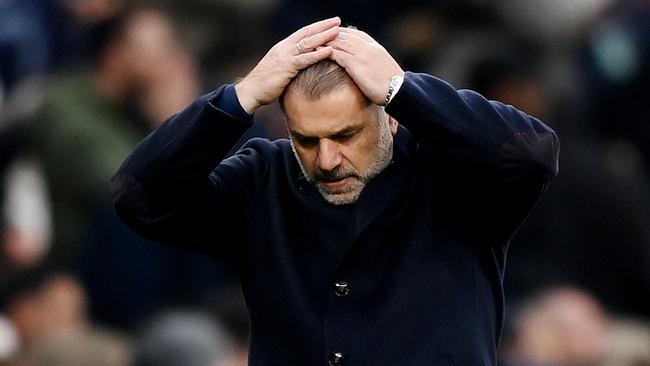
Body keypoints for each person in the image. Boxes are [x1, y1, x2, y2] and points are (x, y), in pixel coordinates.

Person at [111, 17, 559, 365]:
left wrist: (406, 89)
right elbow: (139, 196)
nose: (326, 160)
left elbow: (530, 154)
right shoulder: (266, 176)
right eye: (306, 139)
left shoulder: (450, 173)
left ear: (392, 117)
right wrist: (240, 97)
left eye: (346, 135)